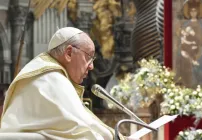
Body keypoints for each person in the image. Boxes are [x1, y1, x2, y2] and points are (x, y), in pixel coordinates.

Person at [0, 27, 128, 140]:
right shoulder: (50, 79)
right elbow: (81, 128)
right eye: (89, 57)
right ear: (68, 53)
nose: (92, 66)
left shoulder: (44, 73)